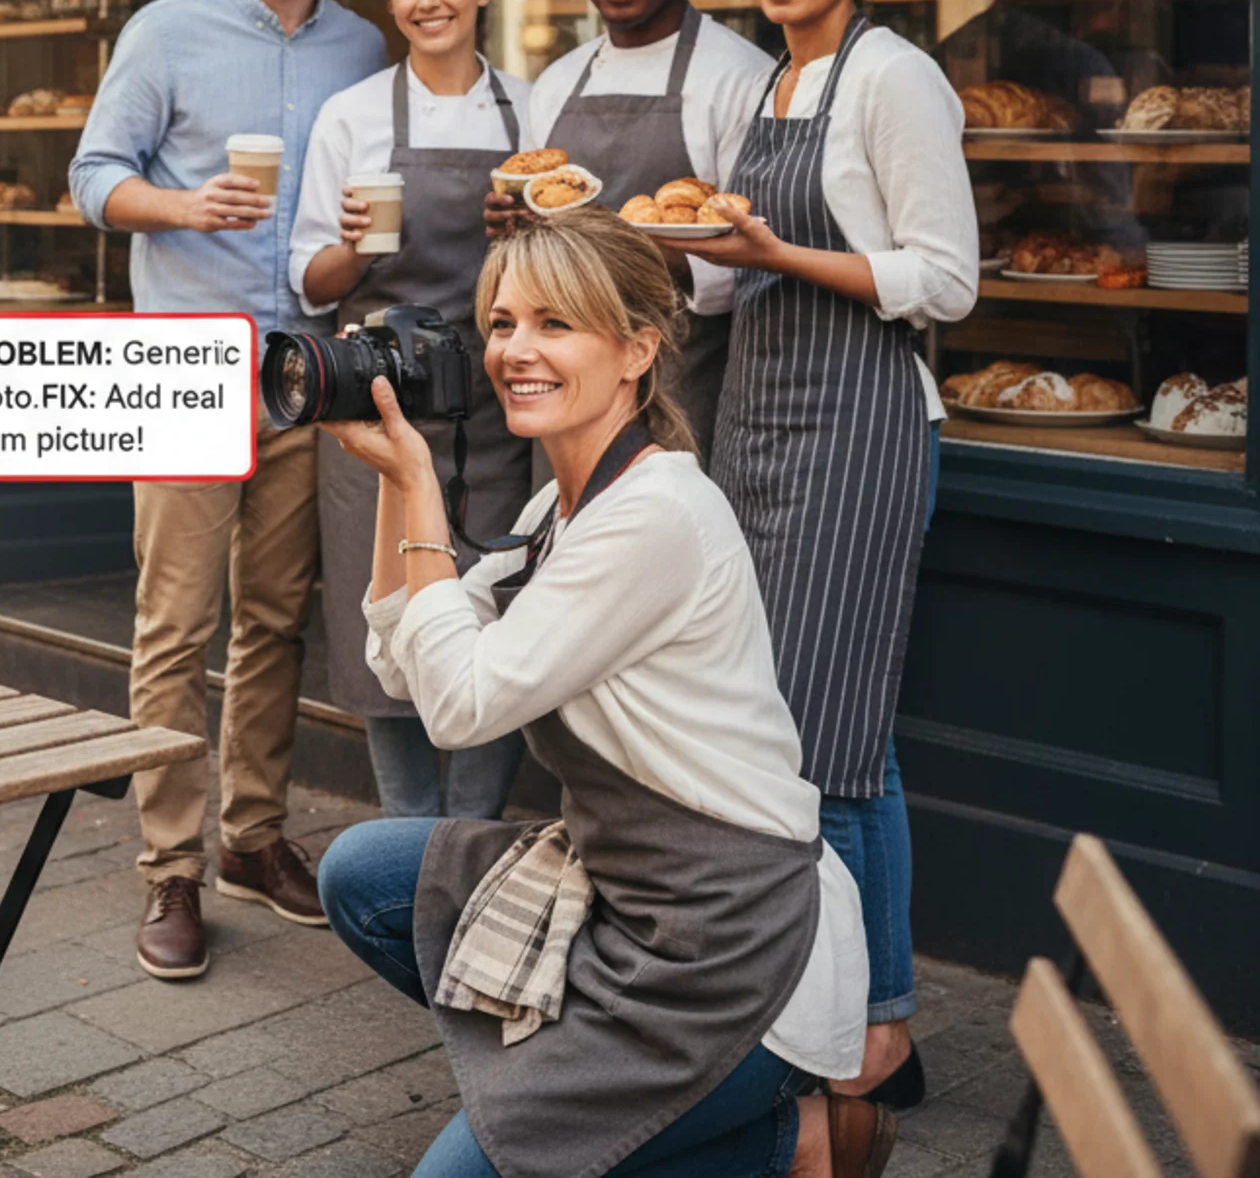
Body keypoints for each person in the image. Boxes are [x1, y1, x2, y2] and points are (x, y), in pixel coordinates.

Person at [314, 211, 889, 1178]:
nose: (516, 351)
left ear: (637, 349)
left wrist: (419, 485)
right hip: (618, 896)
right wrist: (389, 478)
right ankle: (642, 1116)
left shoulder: (656, 516)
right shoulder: (559, 510)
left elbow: (459, 709)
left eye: (554, 324)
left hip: (730, 946)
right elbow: (406, 665)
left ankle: (788, 1136)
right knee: (363, 872)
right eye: (501, 324)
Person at [71, 0, 389, 981]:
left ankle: (253, 834)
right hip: (186, 365)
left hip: (305, 367)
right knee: (173, 624)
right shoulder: (166, 31)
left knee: (274, 618)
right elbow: (92, 176)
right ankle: (169, 864)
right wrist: (181, 207)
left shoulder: (364, 49)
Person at [699, 0, 978, 1113]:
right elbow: (734, 269)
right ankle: (823, 1003)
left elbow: (946, 277)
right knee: (784, 727)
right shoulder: (778, 76)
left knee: (835, 742)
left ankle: (877, 1028)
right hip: (757, 419)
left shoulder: (893, 75)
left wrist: (776, 250)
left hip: (860, 427)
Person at [291, 0, 532, 821]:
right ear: (391, 1)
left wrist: (531, 230)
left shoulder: (531, 105)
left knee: (489, 621)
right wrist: (356, 247)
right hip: (376, 405)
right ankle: (407, 842)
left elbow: (571, 253)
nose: (428, 1)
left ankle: (468, 839)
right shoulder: (351, 115)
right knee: (382, 633)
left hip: (501, 407)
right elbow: (314, 283)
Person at [493, 0, 770, 467]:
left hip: (684, 385)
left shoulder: (740, 76)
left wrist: (623, 252)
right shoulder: (557, 82)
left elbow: (755, 263)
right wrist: (514, 231)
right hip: (556, 395)